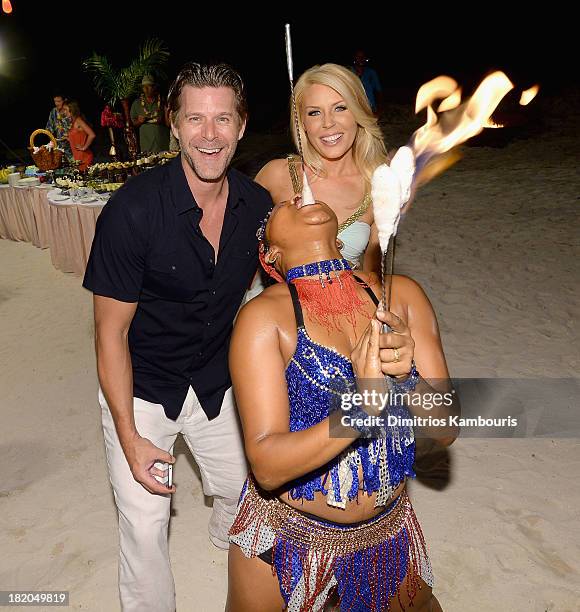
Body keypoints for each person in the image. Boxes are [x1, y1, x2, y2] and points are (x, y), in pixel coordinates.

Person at [82, 62, 273, 612]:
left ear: (240, 127)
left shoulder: (255, 208)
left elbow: (282, 297)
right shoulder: (132, 212)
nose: (209, 135)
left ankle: (222, 534)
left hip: (216, 381)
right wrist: (129, 436)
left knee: (251, 493)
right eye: (195, 118)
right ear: (173, 124)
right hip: (143, 388)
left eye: (222, 119)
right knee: (145, 526)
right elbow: (109, 335)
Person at [226, 195, 459, 610]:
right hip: (286, 535)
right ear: (270, 255)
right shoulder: (264, 319)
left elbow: (445, 429)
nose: (300, 197)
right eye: (283, 205)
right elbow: (266, 465)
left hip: (384, 534)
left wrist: (407, 378)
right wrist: (360, 410)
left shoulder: (400, 295)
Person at [255, 63, 387, 275]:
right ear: (302, 123)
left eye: (340, 108)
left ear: (358, 112)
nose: (328, 123)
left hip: (345, 306)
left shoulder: (378, 187)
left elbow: (376, 280)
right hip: (273, 304)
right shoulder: (275, 175)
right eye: (315, 113)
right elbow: (238, 255)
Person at [130, 74, 170, 153]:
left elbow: (169, 123)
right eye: (144, 87)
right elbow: (131, 124)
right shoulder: (137, 103)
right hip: (146, 144)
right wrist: (139, 121)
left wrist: (161, 120)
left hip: (162, 143)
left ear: (154, 87)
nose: (146, 89)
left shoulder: (162, 102)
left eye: (149, 86)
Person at [63, 100, 95, 171]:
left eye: (65, 109)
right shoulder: (74, 121)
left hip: (84, 157)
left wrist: (84, 147)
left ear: (72, 110)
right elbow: (79, 136)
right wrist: (69, 138)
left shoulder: (78, 120)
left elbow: (92, 135)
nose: (64, 112)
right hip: (78, 157)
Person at [350, 49, 383, 115]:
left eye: (363, 57)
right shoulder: (349, 71)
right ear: (354, 58)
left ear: (366, 59)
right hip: (353, 108)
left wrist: (379, 108)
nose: (361, 59)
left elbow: (379, 91)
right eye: (358, 57)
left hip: (370, 108)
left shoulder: (371, 73)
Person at [45, 93, 72, 161]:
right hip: (59, 147)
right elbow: (49, 128)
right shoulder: (53, 112)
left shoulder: (70, 110)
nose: (56, 103)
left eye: (59, 101)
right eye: (55, 101)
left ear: (65, 100)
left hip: (72, 145)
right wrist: (52, 140)